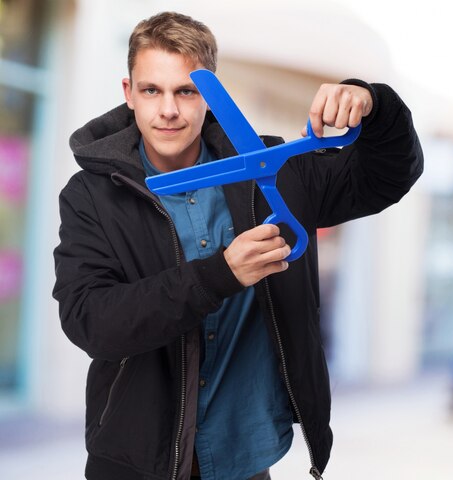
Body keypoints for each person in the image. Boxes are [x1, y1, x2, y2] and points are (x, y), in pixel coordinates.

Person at [52, 11, 423, 480]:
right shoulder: (91, 194)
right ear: (128, 93)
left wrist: (373, 103)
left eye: (186, 90)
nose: (168, 110)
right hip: (133, 459)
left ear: (211, 95)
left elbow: (391, 174)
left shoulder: (278, 169)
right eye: (151, 90)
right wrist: (220, 274)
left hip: (244, 459)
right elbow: (91, 322)